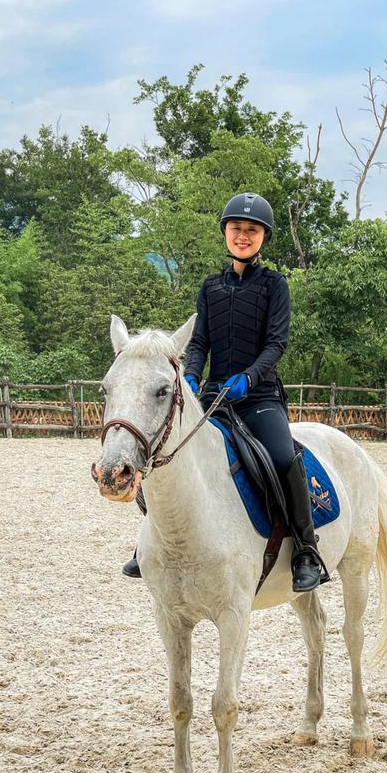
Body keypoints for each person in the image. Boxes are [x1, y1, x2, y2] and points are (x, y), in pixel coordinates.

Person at [122, 192, 325, 592]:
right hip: (212, 395)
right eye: (237, 229)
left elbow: (276, 344)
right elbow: (198, 344)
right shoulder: (211, 287)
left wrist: (249, 378)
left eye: (251, 230)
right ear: (226, 233)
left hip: (259, 397)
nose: (243, 236)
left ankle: (305, 549)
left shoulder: (274, 285)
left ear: (263, 237)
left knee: (284, 457)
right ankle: (151, 545)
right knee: (162, 452)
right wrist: (192, 377)